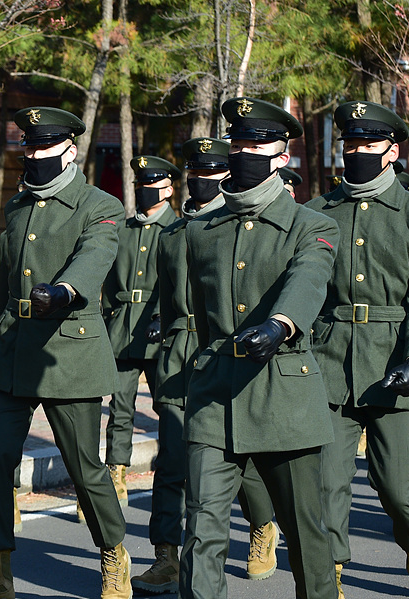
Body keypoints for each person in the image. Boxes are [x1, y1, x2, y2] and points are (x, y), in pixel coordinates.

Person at [179, 97, 340, 599]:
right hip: (214, 396)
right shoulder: (200, 229)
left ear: (283, 155)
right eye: (240, 141)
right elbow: (185, 308)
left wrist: (280, 325)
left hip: (283, 395)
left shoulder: (312, 225)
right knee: (202, 529)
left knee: (305, 533)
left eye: (260, 142)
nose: (246, 150)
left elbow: (309, 278)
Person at [0, 107, 131, 599]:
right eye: (29, 146)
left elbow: (96, 255)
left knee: (84, 465)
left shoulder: (100, 205)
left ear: (69, 149)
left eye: (45, 147)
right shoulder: (19, 206)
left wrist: (65, 291)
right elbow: (7, 280)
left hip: (69, 349)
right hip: (14, 350)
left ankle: (113, 552)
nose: (35, 155)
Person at [306, 101, 409, 599]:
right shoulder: (317, 213)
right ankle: (332, 577)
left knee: (400, 490)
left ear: (393, 151)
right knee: (324, 488)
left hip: (396, 366)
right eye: (350, 144)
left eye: (368, 144)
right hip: (328, 366)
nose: (357, 152)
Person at [134, 137, 278, 595]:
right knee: (174, 457)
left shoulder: (238, 226)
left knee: (242, 459)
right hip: (179, 355)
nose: (203, 183)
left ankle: (261, 527)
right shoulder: (172, 233)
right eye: (195, 175)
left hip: (226, 352)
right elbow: (164, 291)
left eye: (212, 176)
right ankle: (166, 556)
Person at [102, 155, 179, 508]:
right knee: (120, 407)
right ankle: (116, 472)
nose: (144, 192)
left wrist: (165, 315)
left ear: (168, 188)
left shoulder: (177, 229)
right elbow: (106, 277)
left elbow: (183, 281)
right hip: (122, 329)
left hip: (159, 333)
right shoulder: (124, 229)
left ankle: (170, 468)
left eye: (150, 186)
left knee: (167, 405)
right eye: (139, 187)